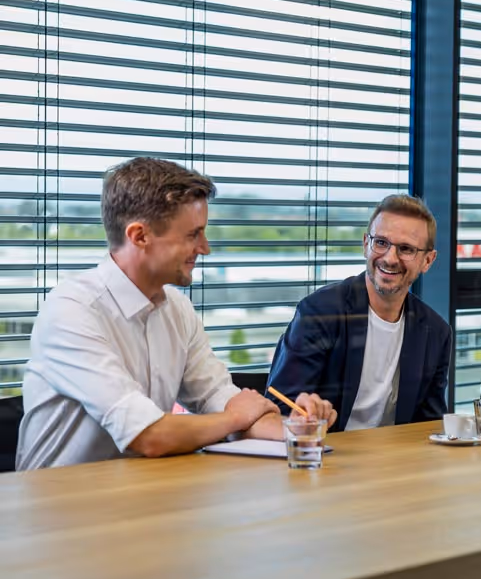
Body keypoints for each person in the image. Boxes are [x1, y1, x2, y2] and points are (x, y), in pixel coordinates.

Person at [17, 157, 334, 471]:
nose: (205, 247)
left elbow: (220, 397)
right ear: (140, 236)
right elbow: (149, 435)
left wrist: (297, 426)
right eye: (192, 235)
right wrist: (235, 417)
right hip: (60, 506)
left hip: (142, 494)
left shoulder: (177, 309)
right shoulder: (72, 310)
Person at [267, 194, 451, 431]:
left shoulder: (436, 333)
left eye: (405, 249)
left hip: (397, 462)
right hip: (326, 457)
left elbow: (429, 428)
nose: (390, 258)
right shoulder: (320, 312)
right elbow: (280, 406)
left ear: (427, 260)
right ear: (366, 244)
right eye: (381, 243)